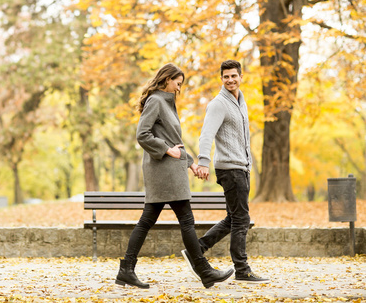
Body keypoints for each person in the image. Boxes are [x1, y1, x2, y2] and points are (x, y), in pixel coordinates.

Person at [115, 63, 234, 289]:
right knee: (185, 221)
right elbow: (143, 134)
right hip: (164, 172)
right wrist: (167, 150)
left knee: (148, 221)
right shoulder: (156, 101)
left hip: (170, 171)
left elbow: (174, 142)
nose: (179, 88)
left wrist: (192, 164)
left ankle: (126, 270)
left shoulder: (166, 103)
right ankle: (204, 270)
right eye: (177, 83)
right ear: (167, 79)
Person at [182, 59, 269, 283]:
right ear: (221, 79)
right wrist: (202, 161)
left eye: (233, 76)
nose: (230, 80)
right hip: (230, 169)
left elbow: (244, 138)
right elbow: (206, 135)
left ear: (241, 77)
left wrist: (248, 163)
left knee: (233, 218)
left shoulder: (241, 102)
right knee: (241, 219)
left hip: (241, 166)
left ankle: (197, 250)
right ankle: (242, 269)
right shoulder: (218, 104)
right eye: (226, 76)